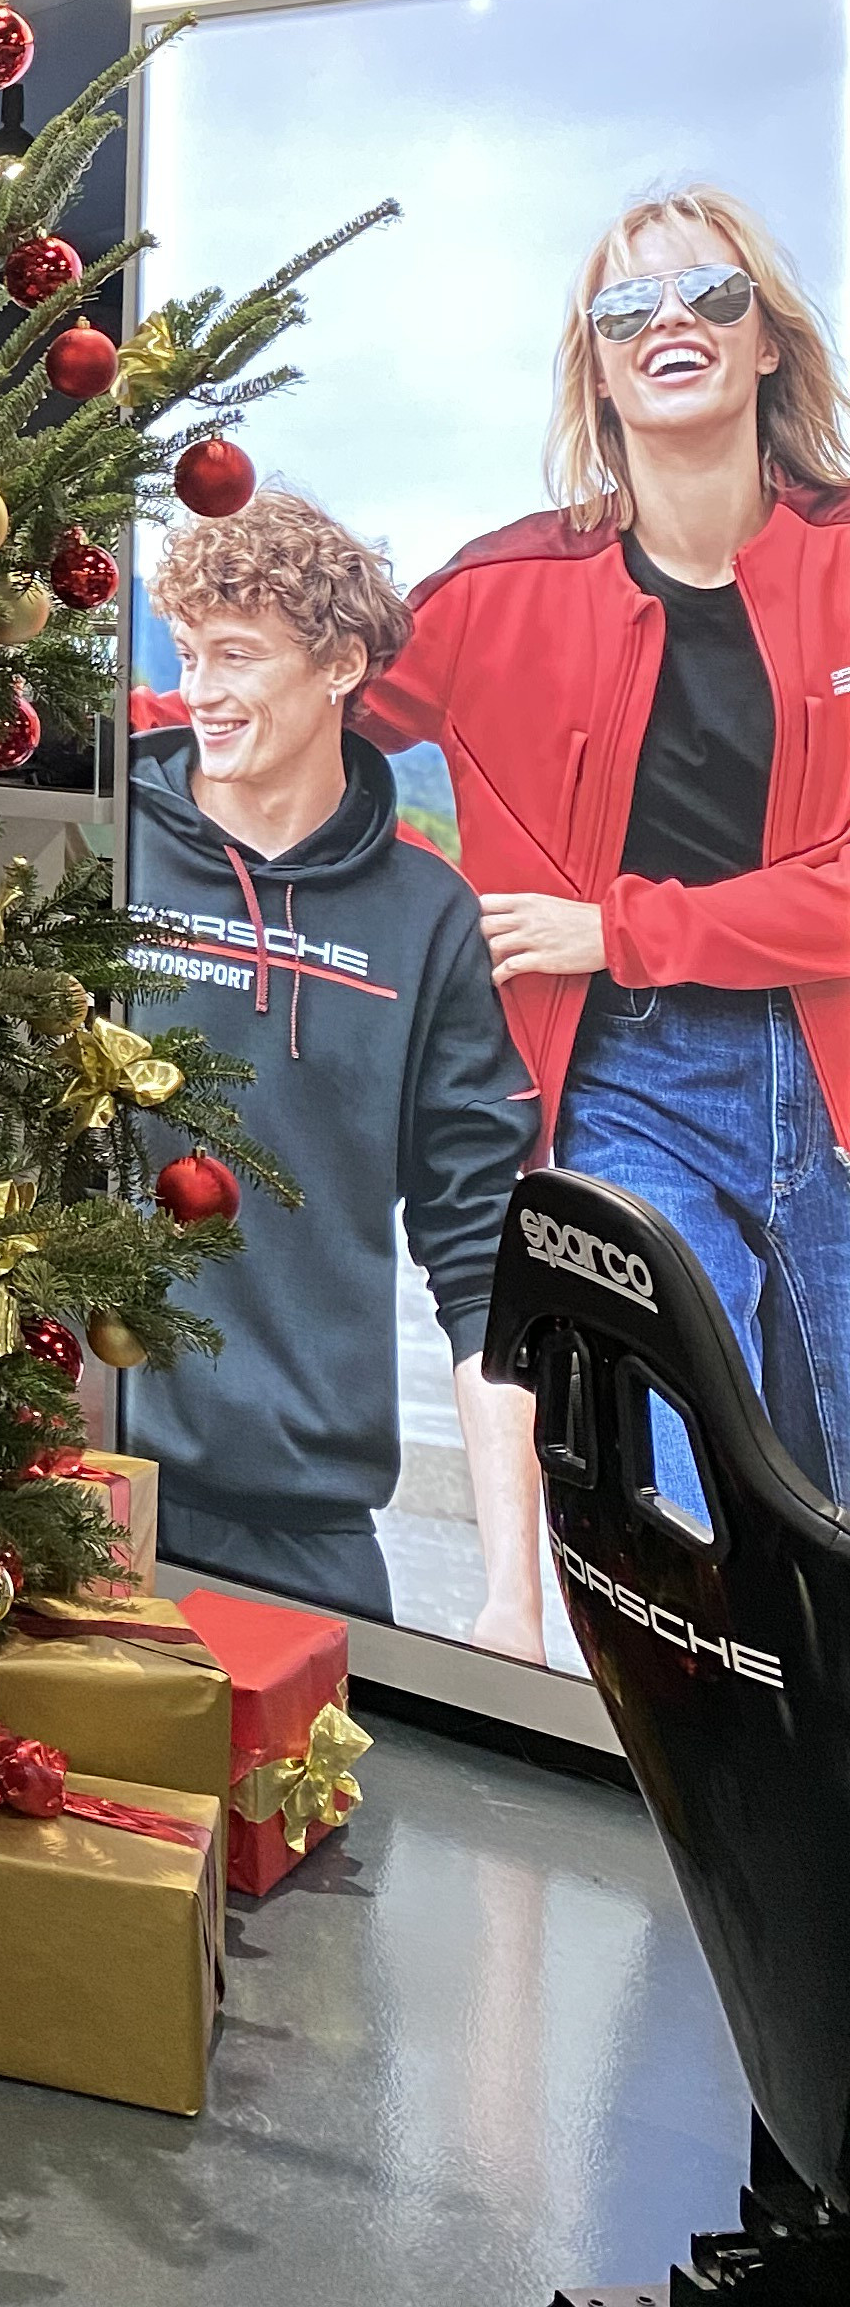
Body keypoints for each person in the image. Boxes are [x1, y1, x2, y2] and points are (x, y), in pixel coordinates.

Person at [354, 186, 850, 1504]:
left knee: (836, 1490)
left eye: (712, 293)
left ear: (766, 343)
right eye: (628, 306)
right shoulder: (498, 594)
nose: (670, 319)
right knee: (679, 1503)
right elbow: (296, 711)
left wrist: (621, 925)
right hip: (628, 1077)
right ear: (600, 366)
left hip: (837, 1071)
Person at [125, 491, 546, 1646]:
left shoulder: (427, 918)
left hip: (309, 1531)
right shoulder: (104, 850)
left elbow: (485, 1269)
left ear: (342, 665)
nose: (202, 691)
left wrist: (516, 1597)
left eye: (241, 657)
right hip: (80, 1492)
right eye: (193, 653)